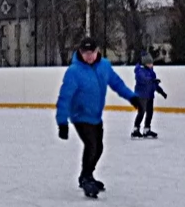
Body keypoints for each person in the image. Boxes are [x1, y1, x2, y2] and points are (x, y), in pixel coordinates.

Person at [55, 37, 143, 198]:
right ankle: (87, 178)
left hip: (96, 115)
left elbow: (117, 84)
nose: (89, 56)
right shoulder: (74, 72)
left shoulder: (104, 66)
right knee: (91, 145)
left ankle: (86, 175)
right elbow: (64, 97)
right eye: (85, 52)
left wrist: (132, 97)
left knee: (99, 147)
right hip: (80, 115)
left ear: (97, 51)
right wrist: (62, 122)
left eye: (92, 52)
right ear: (80, 53)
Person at [132, 51, 167, 139]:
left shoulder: (152, 72)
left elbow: (154, 85)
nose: (151, 65)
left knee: (150, 113)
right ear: (145, 63)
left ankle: (147, 130)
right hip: (141, 96)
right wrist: (152, 81)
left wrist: (161, 92)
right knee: (141, 112)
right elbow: (144, 79)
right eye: (149, 63)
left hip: (150, 95)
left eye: (152, 63)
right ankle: (135, 130)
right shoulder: (139, 71)